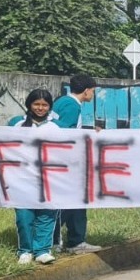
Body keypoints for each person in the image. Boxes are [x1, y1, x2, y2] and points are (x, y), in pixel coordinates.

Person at [8, 89, 60, 265]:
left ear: (50, 107)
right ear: (29, 105)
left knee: (46, 214)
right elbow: (2, 142)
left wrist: (97, 133)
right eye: (36, 104)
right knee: (24, 216)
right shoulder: (18, 125)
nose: (40, 108)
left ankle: (42, 250)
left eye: (44, 105)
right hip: (22, 178)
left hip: (48, 179)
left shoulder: (54, 128)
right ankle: (25, 250)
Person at [52, 74, 102, 254]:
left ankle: (65, 239)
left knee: (71, 202)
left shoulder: (62, 102)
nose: (93, 95)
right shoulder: (72, 106)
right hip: (67, 162)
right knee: (74, 201)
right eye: (93, 91)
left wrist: (89, 130)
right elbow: (66, 134)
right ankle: (70, 241)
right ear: (87, 90)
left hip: (60, 161)